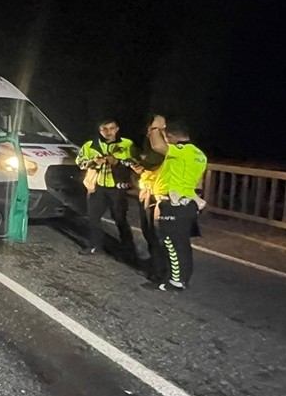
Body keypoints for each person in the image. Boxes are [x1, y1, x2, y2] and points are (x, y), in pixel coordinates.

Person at [145, 119, 208, 291]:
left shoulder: (181, 151)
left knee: (170, 242)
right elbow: (198, 182)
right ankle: (181, 278)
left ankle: (176, 281)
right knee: (182, 243)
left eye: (166, 137)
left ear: (170, 136)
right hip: (187, 204)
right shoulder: (199, 154)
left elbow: (157, 146)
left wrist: (154, 127)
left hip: (173, 204)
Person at [75, 118, 137, 258]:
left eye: (112, 128)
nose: (109, 132)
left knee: (120, 219)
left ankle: (128, 248)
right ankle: (95, 246)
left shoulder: (127, 144)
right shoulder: (90, 145)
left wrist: (117, 162)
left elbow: (135, 164)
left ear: (117, 129)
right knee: (93, 217)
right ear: (100, 130)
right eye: (105, 129)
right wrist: (93, 162)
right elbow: (80, 163)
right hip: (97, 187)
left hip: (117, 188)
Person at [130, 114, 167, 281]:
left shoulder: (169, 148)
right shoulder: (149, 146)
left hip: (159, 195)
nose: (152, 133)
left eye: (157, 129)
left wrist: (142, 165)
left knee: (158, 234)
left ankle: (160, 272)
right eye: (151, 129)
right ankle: (155, 262)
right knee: (148, 231)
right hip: (147, 190)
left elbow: (154, 161)